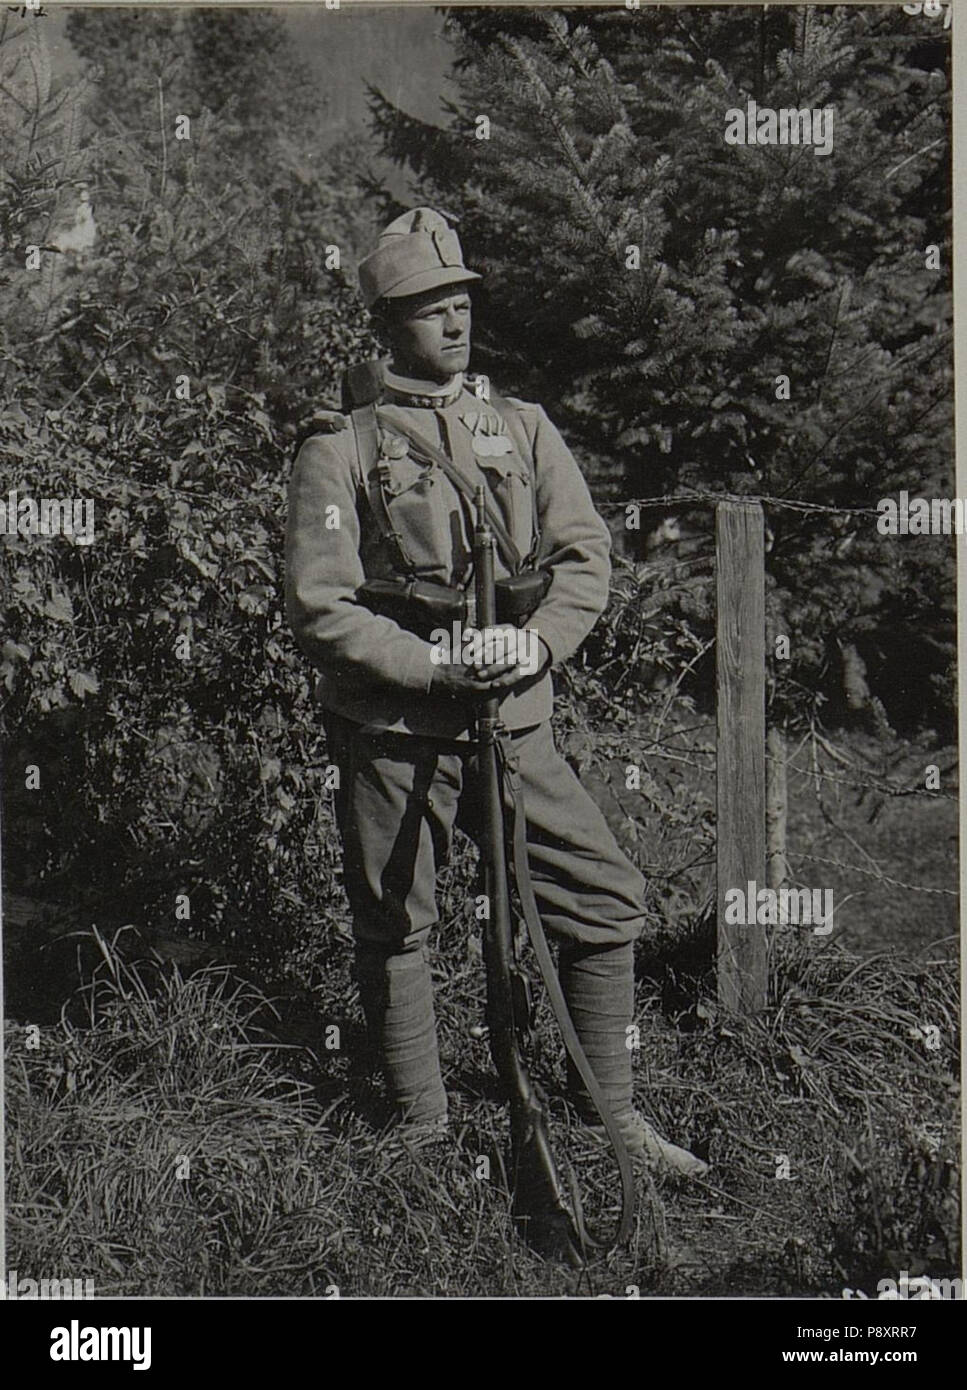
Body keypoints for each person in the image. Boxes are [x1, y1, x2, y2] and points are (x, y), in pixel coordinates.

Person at [284, 207, 706, 1178]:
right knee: (397, 922)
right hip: (392, 728)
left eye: (460, 302)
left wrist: (537, 642)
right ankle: (421, 1125)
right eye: (428, 307)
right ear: (386, 324)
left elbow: (584, 557)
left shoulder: (521, 426)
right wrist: (431, 667)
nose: (453, 321)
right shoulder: (339, 446)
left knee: (601, 894)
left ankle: (614, 1115)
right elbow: (319, 604)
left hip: (513, 723)